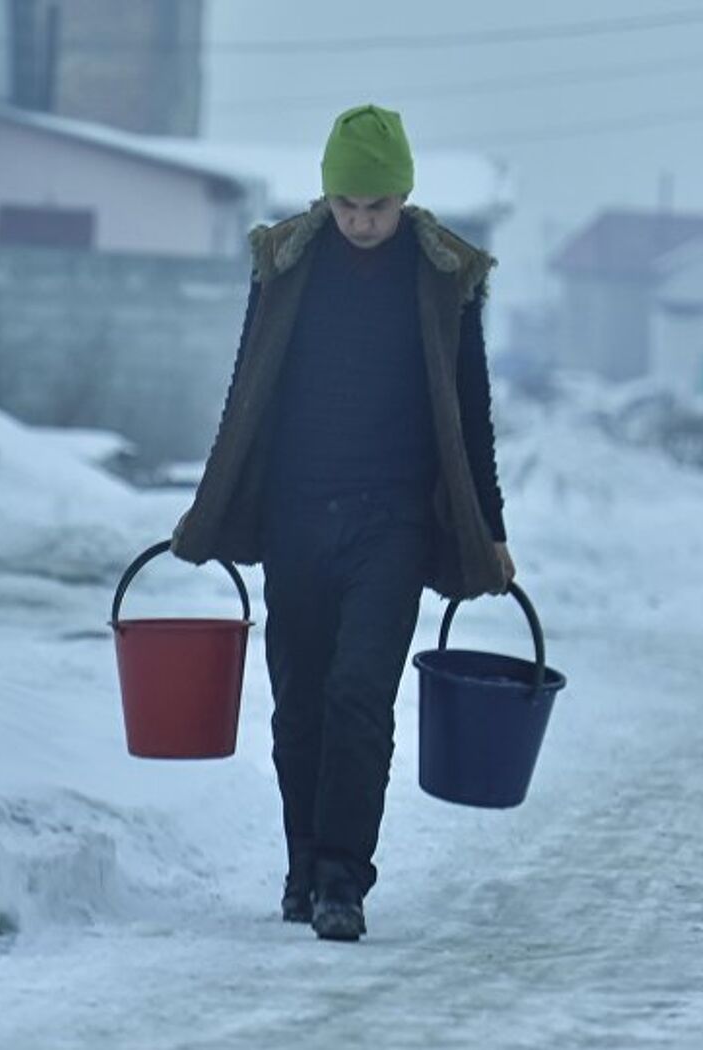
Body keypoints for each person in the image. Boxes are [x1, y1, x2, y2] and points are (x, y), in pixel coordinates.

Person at [170, 104, 516, 943]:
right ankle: (301, 864)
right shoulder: (285, 263)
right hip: (295, 514)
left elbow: (471, 409)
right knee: (300, 703)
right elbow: (245, 386)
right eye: (349, 206)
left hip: (391, 521)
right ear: (327, 198)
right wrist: (213, 500)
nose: (363, 223)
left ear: (403, 197)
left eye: (378, 207)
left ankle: (340, 882)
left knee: (361, 694)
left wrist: (492, 528)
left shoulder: (443, 277)